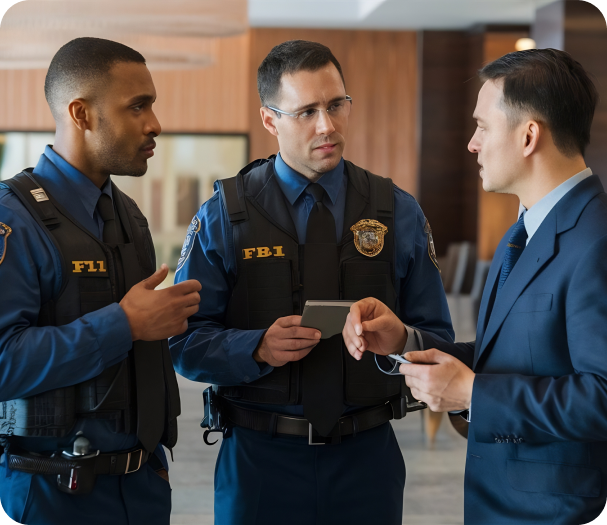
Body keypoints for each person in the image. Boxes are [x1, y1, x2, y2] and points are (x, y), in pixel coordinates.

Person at [169, 39, 453, 525]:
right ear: (270, 120)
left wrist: (402, 339)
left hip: (367, 461)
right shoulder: (224, 216)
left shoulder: (397, 211)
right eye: (306, 112)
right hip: (260, 462)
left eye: (336, 105)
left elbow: (438, 337)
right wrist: (256, 347)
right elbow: (184, 343)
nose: (327, 126)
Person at [343, 48, 607, 524]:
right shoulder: (521, 233)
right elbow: (508, 358)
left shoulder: (597, 240)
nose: (472, 143)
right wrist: (406, 342)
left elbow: (602, 397)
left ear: (528, 136)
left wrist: (473, 395)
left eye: (482, 126)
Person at [0, 38, 201, 524]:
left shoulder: (129, 215)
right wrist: (123, 325)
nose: (155, 124)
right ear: (81, 114)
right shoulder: (13, 218)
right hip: (50, 494)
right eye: (137, 106)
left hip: (142, 488)